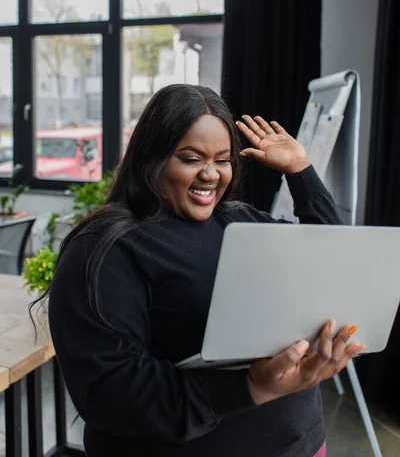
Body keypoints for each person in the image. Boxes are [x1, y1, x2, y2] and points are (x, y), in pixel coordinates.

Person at [48, 84, 364, 457]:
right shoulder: (104, 247)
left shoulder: (244, 221)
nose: (211, 174)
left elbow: (333, 263)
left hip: (302, 444)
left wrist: (300, 169)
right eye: (191, 158)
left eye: (222, 159)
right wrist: (250, 387)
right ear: (152, 157)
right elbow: (110, 392)